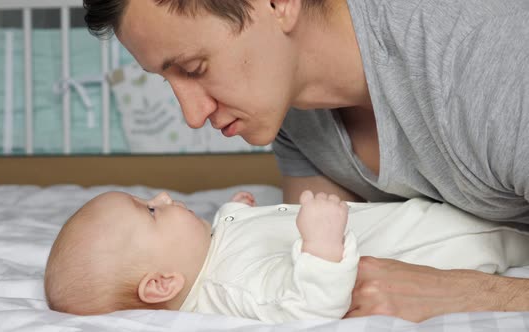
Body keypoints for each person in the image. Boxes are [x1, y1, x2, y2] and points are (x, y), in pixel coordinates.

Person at [82, 0, 529, 321]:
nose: (193, 115)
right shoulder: (291, 114)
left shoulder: (484, 62)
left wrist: (474, 291)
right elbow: (312, 263)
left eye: (196, 68)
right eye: (168, 79)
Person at [44, 190, 529, 322]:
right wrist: (321, 245)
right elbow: (304, 306)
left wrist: (237, 208)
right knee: (502, 236)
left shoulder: (208, 254)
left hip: (422, 217)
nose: (165, 198)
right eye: (150, 211)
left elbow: (229, 232)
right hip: (442, 246)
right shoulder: (229, 285)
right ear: (163, 284)